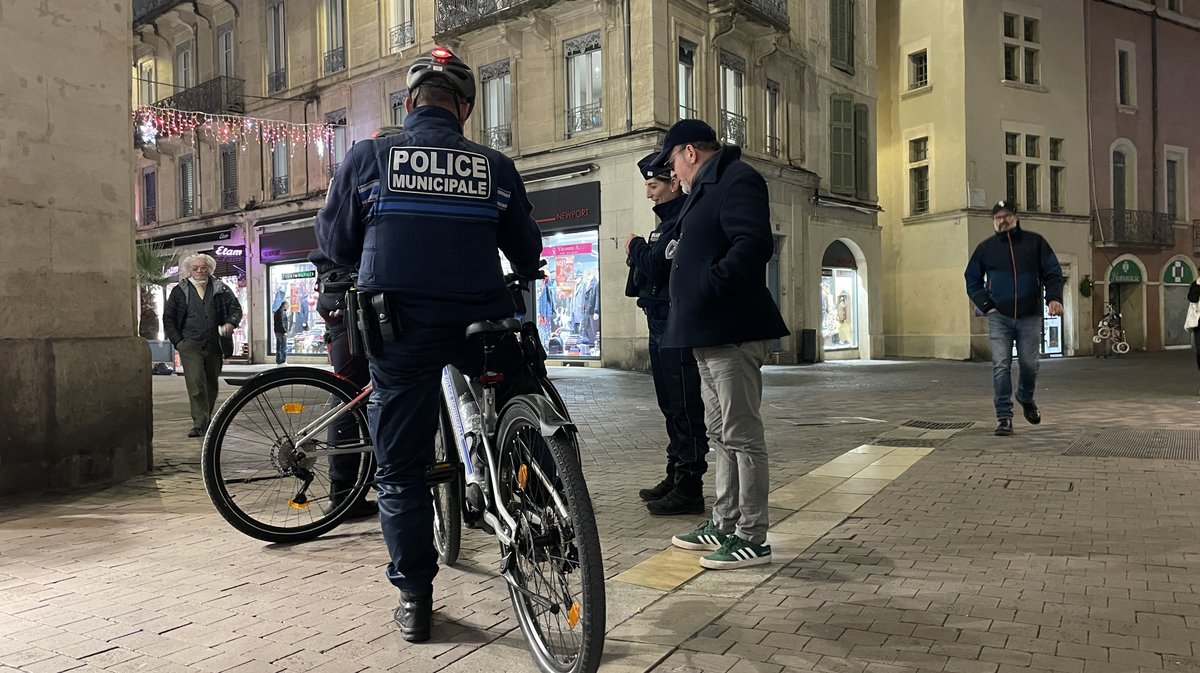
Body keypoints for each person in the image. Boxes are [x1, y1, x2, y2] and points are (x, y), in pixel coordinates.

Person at [315, 46, 542, 643]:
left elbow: (337, 244)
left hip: (402, 328)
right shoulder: (494, 165)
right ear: (464, 110)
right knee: (525, 393)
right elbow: (526, 249)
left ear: (411, 103)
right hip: (480, 321)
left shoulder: (369, 156)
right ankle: (542, 501)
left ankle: (416, 599)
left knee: (400, 470)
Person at [651, 119, 789, 570]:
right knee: (720, 434)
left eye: (672, 163)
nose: (673, 174)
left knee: (742, 435)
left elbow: (752, 245)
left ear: (690, 152)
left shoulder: (737, 178)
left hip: (730, 329)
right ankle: (724, 522)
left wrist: (708, 286)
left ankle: (753, 535)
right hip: (705, 332)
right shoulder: (704, 190)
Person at [624, 152, 709, 516]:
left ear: (674, 182)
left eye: (654, 184)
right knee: (669, 404)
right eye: (647, 185)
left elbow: (658, 266)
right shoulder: (667, 222)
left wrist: (635, 247)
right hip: (658, 320)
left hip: (675, 323)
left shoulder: (682, 220)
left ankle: (690, 484)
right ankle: (676, 473)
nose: (649, 193)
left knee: (684, 404)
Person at [964, 200, 1064, 437]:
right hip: (999, 316)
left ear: (1016, 217)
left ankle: (1026, 397)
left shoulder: (1035, 242)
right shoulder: (985, 249)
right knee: (1001, 365)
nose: (1003, 220)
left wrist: (1054, 298)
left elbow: (1052, 271)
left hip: (1030, 314)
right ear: (993, 221)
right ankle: (1004, 417)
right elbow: (971, 279)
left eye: (1007, 215)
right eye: (998, 217)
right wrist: (987, 306)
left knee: (1030, 364)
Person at [309, 247, 378, 520]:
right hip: (355, 287)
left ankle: (347, 495)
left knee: (353, 392)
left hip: (342, 286)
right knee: (352, 394)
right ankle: (345, 495)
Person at [163, 253, 243, 438]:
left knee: (211, 382)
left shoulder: (221, 288)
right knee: (196, 382)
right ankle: (199, 423)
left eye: (203, 268)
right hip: (189, 344)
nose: (199, 271)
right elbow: (169, 318)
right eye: (195, 268)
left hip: (215, 343)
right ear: (189, 270)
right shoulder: (180, 291)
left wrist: (231, 323)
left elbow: (236, 308)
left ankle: (206, 419)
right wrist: (178, 341)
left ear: (209, 269)